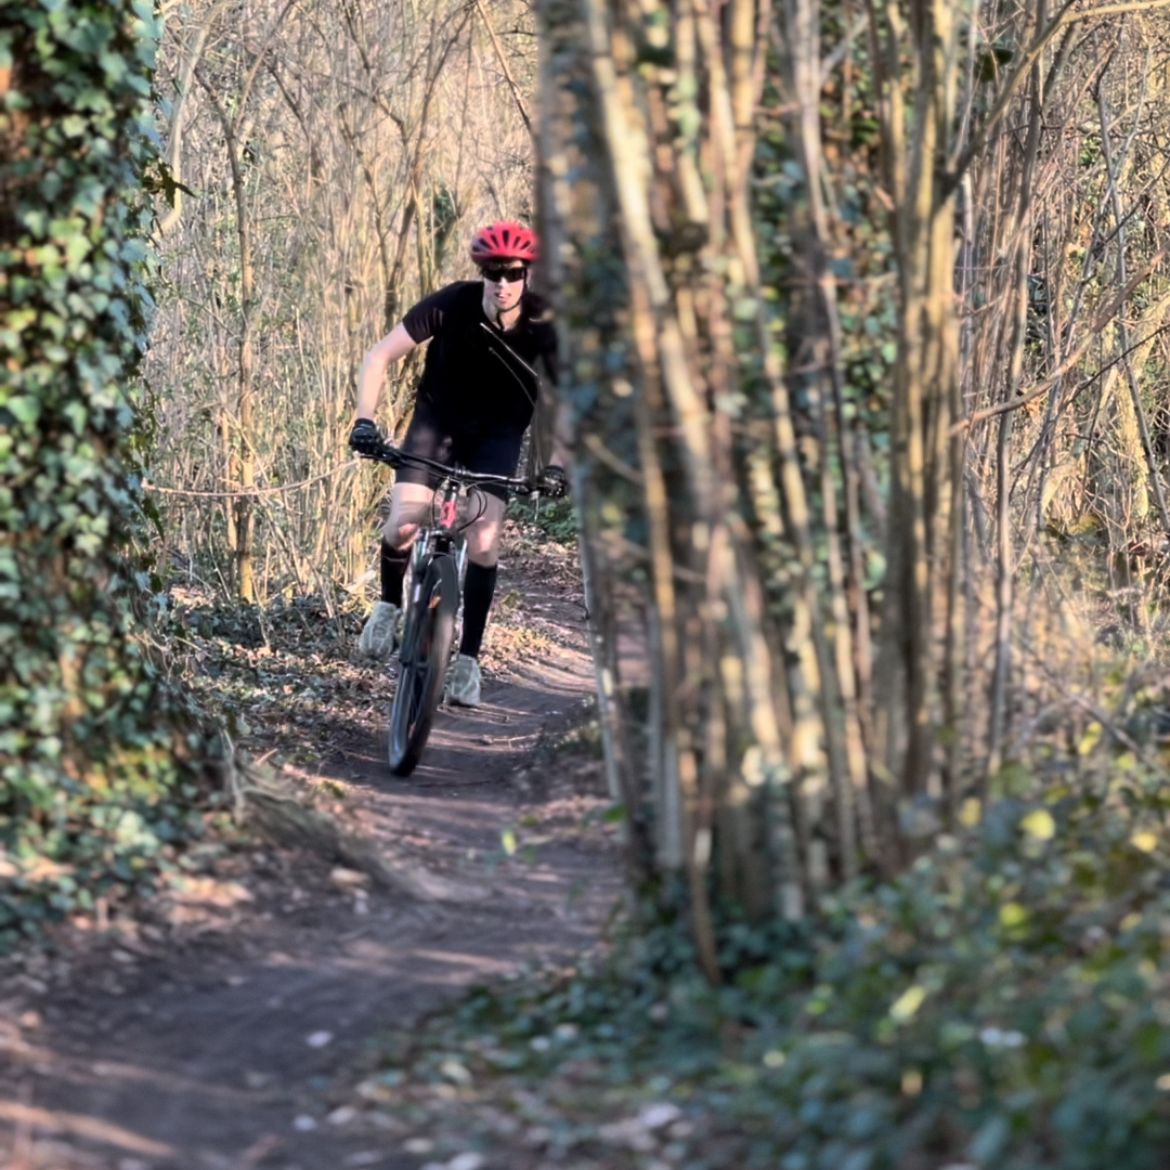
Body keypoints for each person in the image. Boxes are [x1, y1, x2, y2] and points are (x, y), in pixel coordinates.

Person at [348, 220, 568, 708]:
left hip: (498, 434)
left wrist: (556, 465)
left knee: (485, 539)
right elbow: (379, 355)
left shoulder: (545, 324)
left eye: (513, 272)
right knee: (404, 521)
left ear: (527, 274)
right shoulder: (452, 303)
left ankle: (467, 659)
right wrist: (366, 420)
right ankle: (388, 604)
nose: (503, 282)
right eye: (494, 272)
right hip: (436, 423)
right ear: (482, 272)